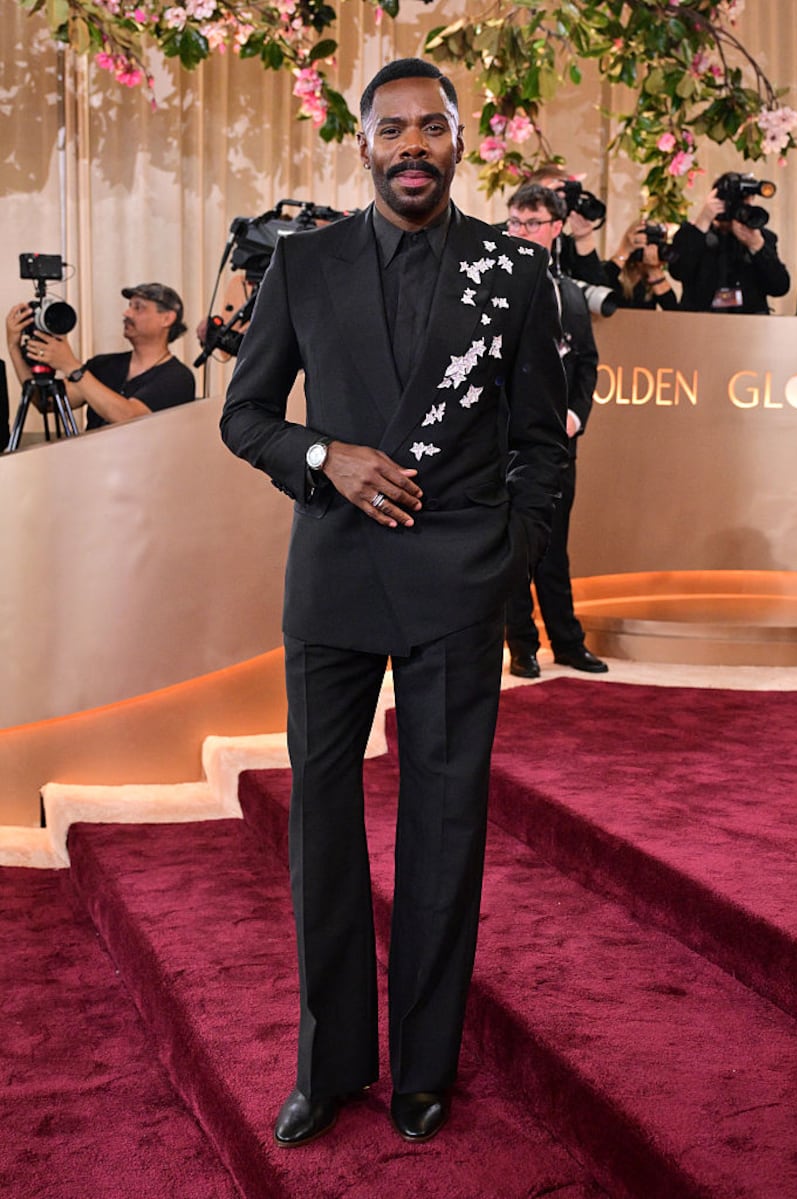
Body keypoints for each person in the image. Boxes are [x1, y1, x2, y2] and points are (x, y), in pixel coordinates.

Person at [220, 58, 568, 1147]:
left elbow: (541, 448)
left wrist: (504, 562)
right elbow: (246, 415)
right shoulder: (305, 262)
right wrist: (326, 453)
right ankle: (328, 1065)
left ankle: (423, 1067)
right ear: (360, 143)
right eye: (391, 129)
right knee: (321, 827)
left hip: (457, 588)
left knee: (443, 829)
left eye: (432, 128)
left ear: (460, 143)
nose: (411, 145)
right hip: (329, 578)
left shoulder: (513, 273)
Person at [504, 183, 608, 678]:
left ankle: (566, 642)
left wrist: (575, 414)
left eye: (532, 224)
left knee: (553, 544)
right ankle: (520, 646)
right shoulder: (492, 288)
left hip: (558, 443)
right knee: (509, 547)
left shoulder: (568, 292)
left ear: (556, 228)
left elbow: (586, 363)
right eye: (515, 223)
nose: (522, 233)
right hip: (501, 443)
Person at [5, 282, 194, 430]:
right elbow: (45, 403)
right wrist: (14, 347)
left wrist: (71, 366)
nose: (126, 313)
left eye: (138, 307)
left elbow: (130, 416)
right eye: (129, 306)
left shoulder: (178, 377)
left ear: (167, 318)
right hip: (90, 471)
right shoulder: (103, 365)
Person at [670, 174, 791, 313]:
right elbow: (678, 271)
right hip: (702, 324)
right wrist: (703, 221)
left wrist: (757, 247)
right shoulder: (693, 233)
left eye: (746, 203)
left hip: (749, 326)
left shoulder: (761, 237)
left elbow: (780, 287)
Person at [528, 163, 608, 286]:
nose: (556, 202)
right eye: (551, 195)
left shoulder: (566, 244)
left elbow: (596, 292)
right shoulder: (505, 235)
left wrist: (584, 239)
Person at [604, 219, 679, 310]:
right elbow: (599, 283)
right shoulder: (615, 270)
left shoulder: (651, 279)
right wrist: (624, 251)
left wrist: (653, 269)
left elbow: (672, 311)